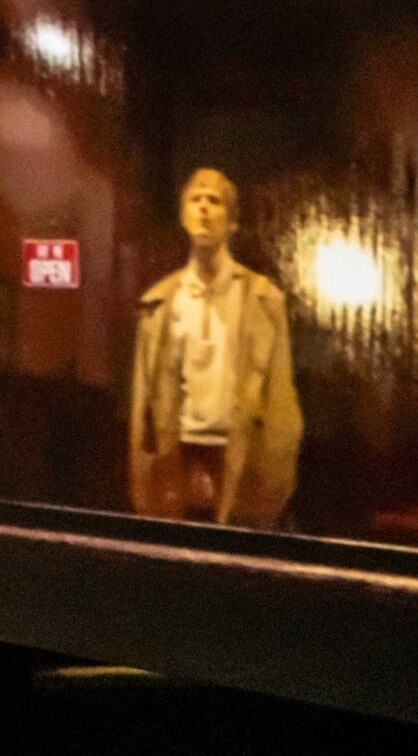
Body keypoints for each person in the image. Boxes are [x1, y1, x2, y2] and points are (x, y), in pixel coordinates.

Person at [128, 166, 303, 528]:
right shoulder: (160, 303)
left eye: (215, 201)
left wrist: (272, 480)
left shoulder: (262, 300)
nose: (204, 208)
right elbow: (142, 403)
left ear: (232, 219)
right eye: (195, 200)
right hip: (176, 455)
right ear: (183, 215)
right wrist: (147, 478)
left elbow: (281, 402)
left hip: (240, 457)